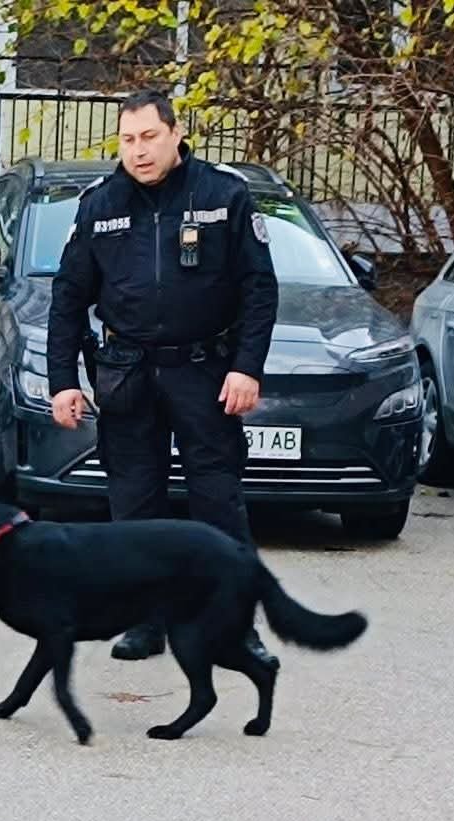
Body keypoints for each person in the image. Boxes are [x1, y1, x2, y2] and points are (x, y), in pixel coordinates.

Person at [46, 88, 281, 666]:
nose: (139, 150)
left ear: (176, 134)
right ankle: (144, 623)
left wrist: (247, 367)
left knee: (218, 505)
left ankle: (235, 627)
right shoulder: (100, 205)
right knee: (134, 509)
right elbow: (68, 298)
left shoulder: (223, 195)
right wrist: (63, 379)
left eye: (150, 136)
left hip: (205, 373)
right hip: (128, 374)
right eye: (128, 140)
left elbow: (258, 289)